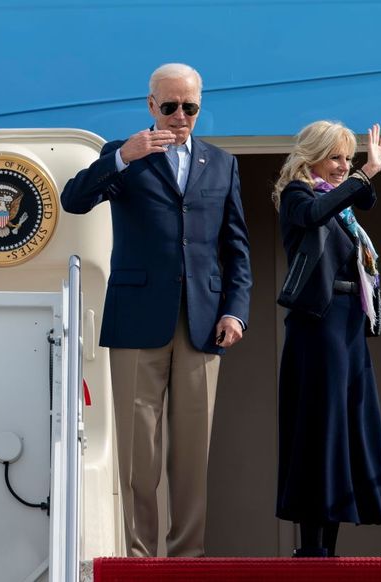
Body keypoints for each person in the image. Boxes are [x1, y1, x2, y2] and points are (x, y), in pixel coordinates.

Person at [61, 63, 252, 558]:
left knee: (191, 456)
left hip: (204, 322)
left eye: (190, 107)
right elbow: (73, 199)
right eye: (170, 107)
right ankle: (141, 558)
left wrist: (236, 311)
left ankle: (186, 559)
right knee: (137, 456)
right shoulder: (123, 156)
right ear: (150, 105)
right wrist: (123, 157)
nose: (180, 116)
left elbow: (237, 249)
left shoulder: (222, 163)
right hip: (137, 320)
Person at [272, 120, 381, 557]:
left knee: (346, 435)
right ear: (312, 156)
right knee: (320, 434)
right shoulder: (298, 198)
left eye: (348, 158)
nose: (344, 166)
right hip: (317, 331)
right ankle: (312, 549)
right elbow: (314, 217)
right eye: (336, 157)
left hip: (349, 329)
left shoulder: (344, 213)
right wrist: (365, 175)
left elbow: (355, 279)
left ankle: (328, 551)